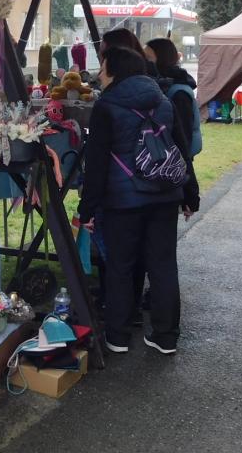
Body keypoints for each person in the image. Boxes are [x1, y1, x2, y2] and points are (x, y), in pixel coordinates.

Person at [79, 47, 199, 355]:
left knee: (120, 266)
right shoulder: (163, 101)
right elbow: (181, 149)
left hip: (123, 201)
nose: (99, 74)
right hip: (165, 196)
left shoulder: (106, 106)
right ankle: (166, 336)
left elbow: (96, 164)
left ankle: (118, 336)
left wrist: (87, 209)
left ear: (115, 71)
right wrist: (190, 194)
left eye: (103, 68)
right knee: (163, 265)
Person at [147, 37, 201, 156]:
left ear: (162, 59)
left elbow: (183, 138)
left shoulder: (179, 92)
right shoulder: (161, 85)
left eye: (148, 58)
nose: (144, 62)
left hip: (176, 159)